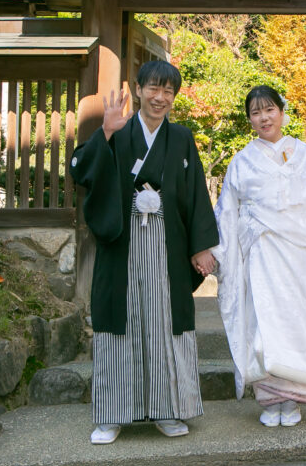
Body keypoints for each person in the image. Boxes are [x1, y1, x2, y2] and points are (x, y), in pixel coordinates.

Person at [70, 60, 218, 444]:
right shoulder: (116, 130)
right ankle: (112, 414)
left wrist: (201, 246)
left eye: (168, 91)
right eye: (153, 88)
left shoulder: (182, 138)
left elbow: (197, 194)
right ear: (138, 90)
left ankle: (169, 409)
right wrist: (105, 132)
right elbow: (80, 170)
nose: (160, 97)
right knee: (120, 323)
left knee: (164, 321)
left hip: (167, 242)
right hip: (124, 241)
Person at [213, 85, 306, 427]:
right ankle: (270, 400)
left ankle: (296, 399)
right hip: (262, 254)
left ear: (282, 112)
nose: (263, 118)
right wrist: (220, 251)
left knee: (300, 321)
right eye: (256, 113)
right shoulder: (241, 161)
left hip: (303, 255)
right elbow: (227, 210)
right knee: (264, 323)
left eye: (269, 110)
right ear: (250, 120)